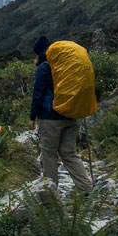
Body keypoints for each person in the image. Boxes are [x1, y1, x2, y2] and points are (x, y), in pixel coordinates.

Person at [29, 36, 92, 193]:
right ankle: (87, 190)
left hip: (50, 118)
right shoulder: (65, 66)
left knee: (49, 155)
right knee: (69, 154)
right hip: (71, 114)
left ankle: (50, 195)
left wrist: (32, 117)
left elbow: (38, 94)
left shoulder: (44, 67)